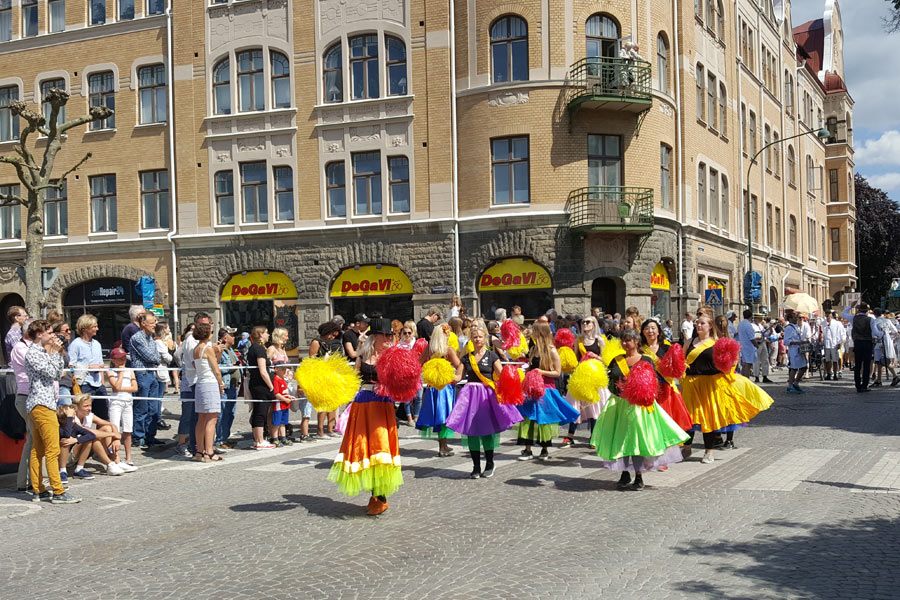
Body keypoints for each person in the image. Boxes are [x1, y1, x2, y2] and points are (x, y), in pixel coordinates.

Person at [592, 329, 689, 490]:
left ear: (636, 341)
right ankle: (624, 473)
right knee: (621, 440)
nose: (625, 343)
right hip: (620, 404)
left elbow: (653, 383)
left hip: (639, 407)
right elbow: (609, 382)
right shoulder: (616, 360)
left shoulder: (646, 360)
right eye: (623, 340)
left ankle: (638, 476)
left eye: (628, 340)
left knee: (637, 441)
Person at [328, 317, 402, 515]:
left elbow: (401, 381)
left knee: (380, 446)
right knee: (364, 447)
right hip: (363, 403)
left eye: (391, 335)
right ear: (375, 337)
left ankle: (381, 495)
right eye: (386, 335)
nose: (389, 338)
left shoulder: (393, 356)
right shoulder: (362, 354)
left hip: (382, 405)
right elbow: (354, 378)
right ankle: (375, 494)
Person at [681, 315, 773, 464]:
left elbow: (730, 363)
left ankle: (708, 451)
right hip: (692, 384)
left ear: (710, 326)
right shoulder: (689, 342)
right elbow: (683, 361)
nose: (699, 326)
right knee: (689, 418)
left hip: (711, 385)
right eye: (697, 323)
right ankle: (687, 448)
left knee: (708, 419)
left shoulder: (717, 343)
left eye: (702, 323)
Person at [446, 324, 523, 478]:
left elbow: (502, 375)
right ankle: (475, 467)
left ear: (485, 338)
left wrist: (514, 377)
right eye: (474, 337)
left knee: (487, 430)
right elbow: (458, 377)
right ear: (471, 340)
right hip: (470, 396)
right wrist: (442, 375)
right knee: (472, 431)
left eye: (480, 336)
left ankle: (489, 464)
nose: (477, 339)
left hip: (487, 395)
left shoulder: (492, 356)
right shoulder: (467, 358)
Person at [25, 319, 80, 503]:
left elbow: (57, 375)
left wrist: (56, 354)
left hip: (46, 403)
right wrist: (56, 353)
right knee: (52, 449)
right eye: (49, 332)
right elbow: (50, 373)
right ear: (39, 334)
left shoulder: (44, 352)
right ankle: (58, 490)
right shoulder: (33, 353)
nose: (53, 335)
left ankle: (38, 489)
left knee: (38, 449)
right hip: (41, 404)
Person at [516, 322, 580, 461]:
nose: (532, 333)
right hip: (531, 388)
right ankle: (527, 449)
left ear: (540, 333)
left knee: (543, 419)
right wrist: (525, 371)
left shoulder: (551, 350)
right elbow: (531, 365)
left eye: (534, 331)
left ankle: (544, 449)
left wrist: (541, 371)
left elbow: (557, 372)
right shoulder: (533, 348)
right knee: (528, 417)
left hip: (546, 388)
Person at [417, 324, 463, 456]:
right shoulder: (448, 350)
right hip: (445, 387)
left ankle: (443, 445)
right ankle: (443, 447)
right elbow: (460, 365)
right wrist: (458, 376)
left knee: (438, 416)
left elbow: (419, 362)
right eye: (447, 334)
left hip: (433, 388)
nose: (449, 336)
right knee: (444, 416)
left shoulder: (430, 348)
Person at [560, 316, 608, 448]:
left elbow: (605, 361)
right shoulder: (578, 340)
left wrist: (595, 357)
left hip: (595, 376)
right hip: (580, 376)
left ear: (594, 324)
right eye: (583, 322)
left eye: (588, 322)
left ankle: (594, 436)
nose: (585, 324)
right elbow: (575, 358)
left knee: (594, 406)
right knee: (576, 404)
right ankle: (570, 436)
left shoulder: (600, 340)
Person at [639, 319, 693, 434]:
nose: (650, 331)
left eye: (653, 328)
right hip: (646, 389)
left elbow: (676, 366)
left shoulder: (667, 347)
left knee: (666, 418)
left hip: (665, 388)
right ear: (643, 332)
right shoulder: (639, 349)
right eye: (647, 328)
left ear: (658, 331)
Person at [69, 394, 133, 476]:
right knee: (91, 437)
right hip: (70, 454)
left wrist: (116, 439)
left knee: (107, 428)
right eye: (86, 406)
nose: (90, 408)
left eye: (90, 405)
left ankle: (116, 461)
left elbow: (111, 425)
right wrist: (113, 434)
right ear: (76, 407)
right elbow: (87, 431)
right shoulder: (72, 418)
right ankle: (109, 464)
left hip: (84, 448)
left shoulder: (89, 415)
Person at [192, 322, 225, 462]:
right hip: (210, 383)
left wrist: (219, 351)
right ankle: (209, 451)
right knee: (212, 419)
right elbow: (216, 369)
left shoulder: (196, 348)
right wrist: (221, 383)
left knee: (201, 419)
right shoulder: (208, 348)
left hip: (200, 383)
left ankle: (200, 451)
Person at [130, 312, 162, 449]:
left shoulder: (151, 338)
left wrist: (156, 358)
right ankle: (138, 436)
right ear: (143, 323)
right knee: (141, 407)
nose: (155, 324)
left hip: (151, 374)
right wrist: (156, 358)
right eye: (152, 322)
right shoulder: (137, 338)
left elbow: (158, 356)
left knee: (153, 407)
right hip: (142, 374)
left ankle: (150, 436)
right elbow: (150, 356)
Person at [68, 314, 109, 421]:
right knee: (83, 415)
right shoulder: (75, 344)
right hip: (84, 384)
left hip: (98, 384)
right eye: (94, 327)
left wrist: (103, 384)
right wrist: (88, 367)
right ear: (85, 328)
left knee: (103, 416)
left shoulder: (97, 344)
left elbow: (100, 364)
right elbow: (71, 365)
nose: (97, 329)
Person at [308, 321, 344, 440]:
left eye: (334, 336)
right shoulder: (316, 342)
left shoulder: (328, 343)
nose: (332, 338)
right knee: (323, 404)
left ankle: (330, 428)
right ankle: (320, 430)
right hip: (321, 376)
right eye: (331, 335)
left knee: (333, 404)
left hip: (331, 375)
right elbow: (312, 360)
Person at [11, 320, 34, 493]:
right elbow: (33, 364)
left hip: (35, 397)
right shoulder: (20, 348)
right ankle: (31, 481)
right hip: (27, 397)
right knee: (34, 440)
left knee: (32, 440)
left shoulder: (31, 347)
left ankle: (26, 481)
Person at [105, 347, 137, 466]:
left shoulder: (130, 370)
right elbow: (115, 387)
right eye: (119, 358)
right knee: (115, 429)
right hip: (116, 402)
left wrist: (123, 387)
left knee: (128, 430)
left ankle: (128, 457)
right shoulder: (110, 371)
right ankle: (115, 457)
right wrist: (121, 374)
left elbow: (135, 387)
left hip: (128, 401)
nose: (123, 360)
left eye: (124, 358)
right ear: (113, 360)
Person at [247, 326, 276, 449]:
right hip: (261, 385)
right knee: (261, 412)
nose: (268, 335)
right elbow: (263, 371)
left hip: (257, 383)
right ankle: (259, 440)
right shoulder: (258, 349)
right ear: (260, 335)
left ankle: (257, 439)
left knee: (259, 411)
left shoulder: (256, 348)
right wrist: (271, 386)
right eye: (266, 333)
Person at [215, 327, 240, 449]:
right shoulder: (219, 349)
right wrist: (232, 366)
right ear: (225, 337)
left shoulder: (230, 350)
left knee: (230, 414)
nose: (234, 337)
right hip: (225, 386)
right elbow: (217, 367)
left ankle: (225, 437)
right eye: (232, 335)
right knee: (223, 413)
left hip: (233, 386)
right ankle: (220, 439)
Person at [396, 321, 422, 426]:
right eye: (405, 333)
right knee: (407, 398)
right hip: (404, 374)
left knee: (419, 397)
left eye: (409, 333)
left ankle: (416, 417)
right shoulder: (399, 346)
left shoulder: (417, 344)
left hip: (416, 373)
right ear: (401, 334)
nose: (407, 335)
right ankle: (409, 418)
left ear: (413, 334)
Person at [269, 363, 295, 447]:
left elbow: (284, 392)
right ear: (276, 369)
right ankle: (275, 439)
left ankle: (283, 437)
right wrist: (285, 399)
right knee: (276, 423)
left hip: (285, 405)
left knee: (283, 422)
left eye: (285, 369)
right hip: (279, 405)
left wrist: (289, 396)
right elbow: (276, 393)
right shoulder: (276, 379)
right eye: (282, 369)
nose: (285, 371)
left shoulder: (283, 379)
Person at [783, 312, 810, 394]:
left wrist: (803, 341)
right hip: (794, 350)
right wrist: (797, 343)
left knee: (804, 367)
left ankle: (796, 383)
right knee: (794, 368)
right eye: (795, 317)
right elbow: (786, 341)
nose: (796, 319)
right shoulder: (788, 328)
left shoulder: (796, 327)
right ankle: (790, 385)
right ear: (790, 319)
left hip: (800, 350)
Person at [823, 311, 846, 380]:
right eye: (826, 314)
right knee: (827, 360)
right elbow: (823, 334)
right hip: (827, 344)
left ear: (831, 315)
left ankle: (835, 373)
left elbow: (841, 333)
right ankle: (829, 373)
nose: (827, 316)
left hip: (834, 344)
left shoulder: (837, 323)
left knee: (835, 359)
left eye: (829, 314)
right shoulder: (824, 323)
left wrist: (840, 342)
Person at [751, 313, 772, 383]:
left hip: (762, 343)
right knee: (756, 360)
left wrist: (770, 330)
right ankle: (756, 376)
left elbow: (766, 334)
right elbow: (751, 336)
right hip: (757, 343)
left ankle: (765, 375)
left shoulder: (760, 326)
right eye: (760, 318)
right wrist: (757, 337)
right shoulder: (752, 326)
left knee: (765, 359)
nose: (761, 319)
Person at [736, 309, 757, 377]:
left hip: (742, 345)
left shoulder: (740, 324)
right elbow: (751, 338)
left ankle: (743, 379)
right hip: (748, 347)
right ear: (751, 316)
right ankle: (746, 379)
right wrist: (756, 345)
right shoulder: (748, 325)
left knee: (744, 364)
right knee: (748, 364)